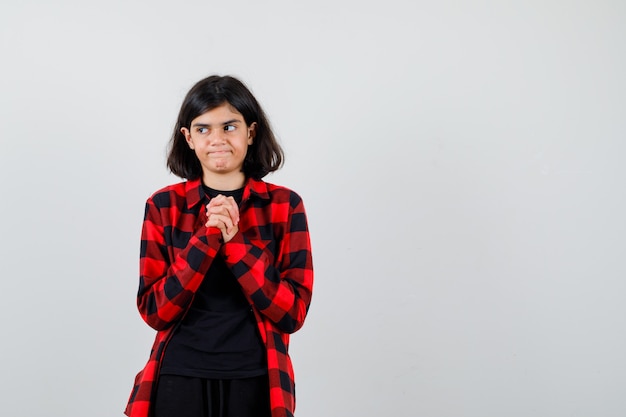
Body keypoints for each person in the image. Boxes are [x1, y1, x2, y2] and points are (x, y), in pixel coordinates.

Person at [124, 75, 314, 417]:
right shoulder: (163, 206)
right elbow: (155, 311)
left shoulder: (285, 206)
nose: (217, 139)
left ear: (251, 133)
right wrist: (207, 237)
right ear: (188, 138)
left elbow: (292, 313)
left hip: (257, 379)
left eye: (229, 127)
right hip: (178, 376)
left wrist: (235, 243)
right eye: (203, 129)